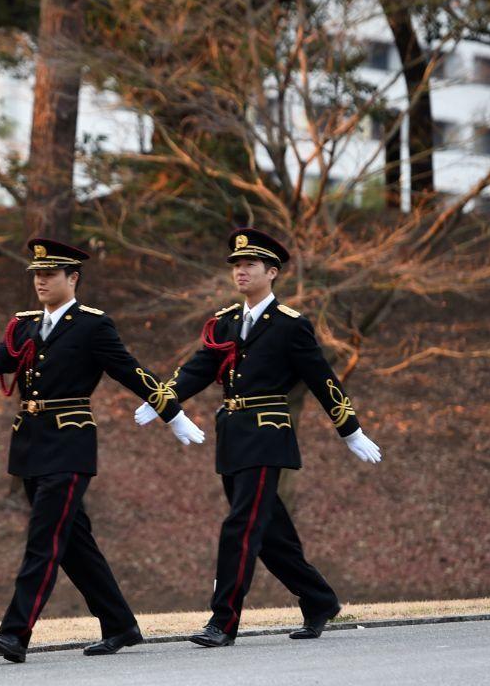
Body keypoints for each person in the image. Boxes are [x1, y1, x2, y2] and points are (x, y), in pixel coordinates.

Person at [0, 238, 205, 664]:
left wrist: (171, 412)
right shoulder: (27, 322)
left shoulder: (92, 325)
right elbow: (8, 355)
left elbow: (130, 369)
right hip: (30, 443)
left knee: (44, 538)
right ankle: (120, 624)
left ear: (72, 278)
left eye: (50, 274)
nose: (41, 281)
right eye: (37, 275)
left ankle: (15, 632)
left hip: (69, 443)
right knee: (74, 543)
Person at [134, 227, 382, 647]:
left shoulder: (290, 326)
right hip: (232, 436)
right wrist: (164, 400)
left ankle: (223, 620)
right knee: (268, 534)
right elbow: (197, 367)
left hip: (268, 436)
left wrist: (350, 429)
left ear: (272, 272)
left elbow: (322, 379)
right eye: (236, 265)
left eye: (249, 264)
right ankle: (320, 599)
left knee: (240, 527)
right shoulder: (227, 321)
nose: (241, 271)